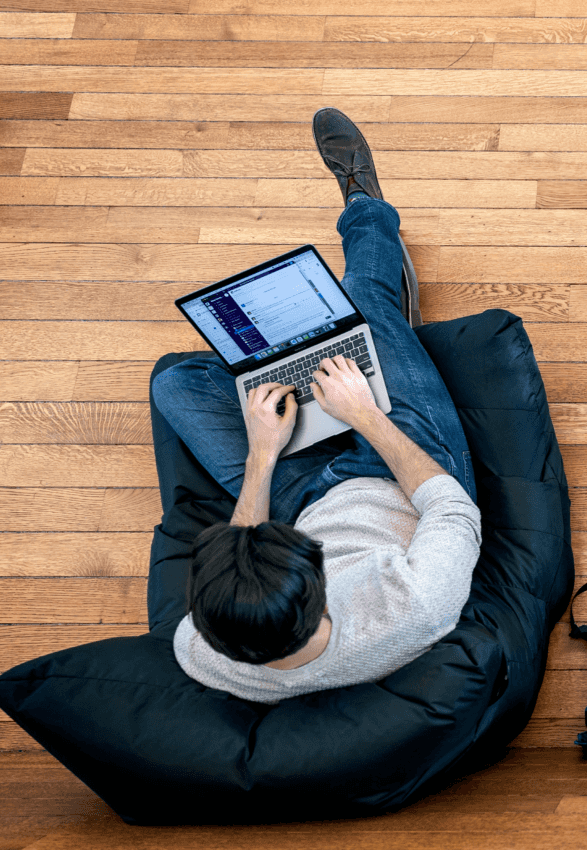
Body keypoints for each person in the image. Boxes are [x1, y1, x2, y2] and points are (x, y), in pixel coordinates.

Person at [151, 108, 482, 703]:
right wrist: (364, 416)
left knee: (176, 384)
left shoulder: (204, 650)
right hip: (403, 476)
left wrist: (262, 454)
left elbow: (240, 563)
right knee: (362, 301)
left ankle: (322, 360)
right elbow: (451, 510)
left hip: (299, 492)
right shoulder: (414, 605)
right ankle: (366, 210)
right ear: (320, 588)